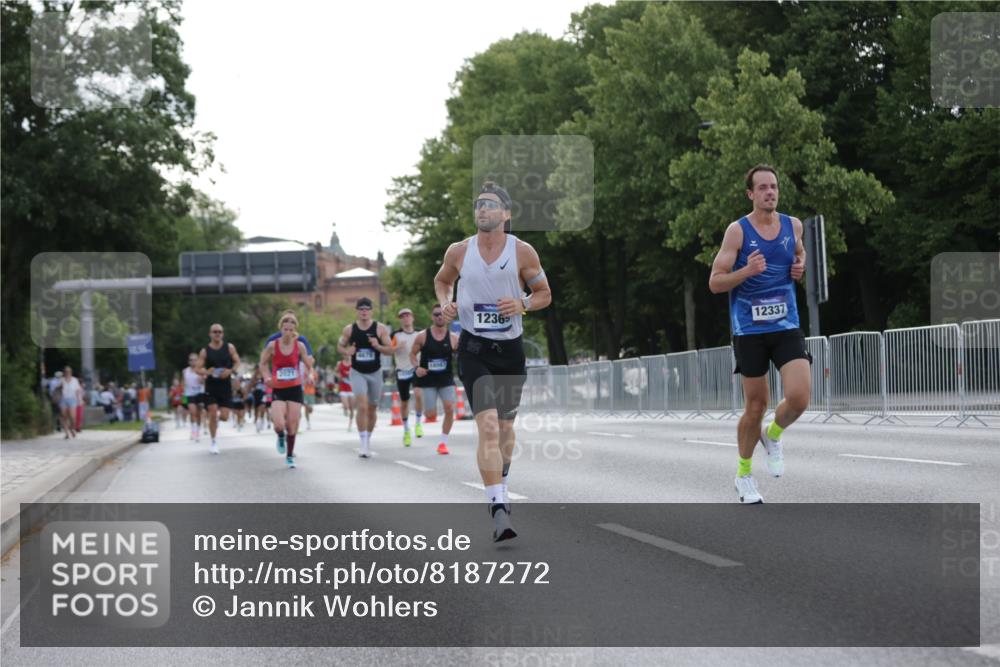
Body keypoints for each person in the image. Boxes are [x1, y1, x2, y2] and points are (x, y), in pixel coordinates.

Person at [435, 181, 552, 542]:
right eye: (478, 205)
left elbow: (544, 294)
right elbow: (442, 281)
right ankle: (498, 506)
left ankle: (501, 481)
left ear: (506, 214)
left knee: (504, 428)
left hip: (510, 350)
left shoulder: (523, 252)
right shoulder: (459, 251)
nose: (482, 210)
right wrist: (446, 302)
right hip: (474, 349)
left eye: (489, 205)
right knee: (486, 427)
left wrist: (523, 304)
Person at [709, 164, 811, 505]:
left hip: (786, 325)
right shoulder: (737, 232)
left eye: (774, 187)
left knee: (799, 397)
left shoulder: (792, 225)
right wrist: (746, 271)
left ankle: (774, 434)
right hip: (749, 329)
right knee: (756, 406)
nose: (770, 192)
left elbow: (798, 254)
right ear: (750, 194)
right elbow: (715, 282)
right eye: (763, 188)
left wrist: (801, 266)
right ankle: (744, 474)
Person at [337, 297, 392, 458]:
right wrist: (347, 352)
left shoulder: (380, 329)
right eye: (361, 309)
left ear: (371, 311)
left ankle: (368, 439)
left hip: (375, 372)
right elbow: (339, 345)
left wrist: (378, 346)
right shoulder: (349, 329)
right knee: (361, 406)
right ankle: (362, 443)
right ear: (357, 311)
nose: (364, 311)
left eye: (367, 309)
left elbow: (390, 349)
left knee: (372, 407)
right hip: (357, 372)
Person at [260, 311, 313, 468]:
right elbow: (262, 363)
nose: (288, 332)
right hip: (278, 388)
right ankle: (280, 436)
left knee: (292, 424)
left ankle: (290, 456)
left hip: (295, 388)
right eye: (285, 329)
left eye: (291, 329)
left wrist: (310, 374)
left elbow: (309, 364)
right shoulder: (272, 345)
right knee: (278, 425)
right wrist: (267, 378)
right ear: (281, 329)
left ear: (294, 330)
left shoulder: (300, 346)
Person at [410, 305, 460, 455]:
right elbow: (412, 355)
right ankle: (421, 418)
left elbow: (462, 356)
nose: (439, 317)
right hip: (428, 380)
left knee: (450, 408)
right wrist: (416, 367)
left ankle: (443, 443)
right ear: (432, 317)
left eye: (442, 314)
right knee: (430, 414)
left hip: (446, 379)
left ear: (446, 317)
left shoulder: (453, 338)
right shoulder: (422, 336)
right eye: (436, 314)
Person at [197, 323, 241, 454]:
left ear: (223, 334)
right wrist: (207, 371)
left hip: (225, 386)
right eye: (215, 332)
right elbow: (198, 369)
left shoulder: (229, 347)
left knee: (224, 417)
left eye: (220, 332)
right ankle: (214, 442)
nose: (217, 334)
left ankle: (215, 421)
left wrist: (230, 370)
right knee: (212, 411)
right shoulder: (205, 351)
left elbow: (237, 362)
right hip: (211, 386)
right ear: (210, 334)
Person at [391, 307, 422, 446]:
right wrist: (396, 347)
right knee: (404, 401)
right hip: (402, 371)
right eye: (403, 316)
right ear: (400, 320)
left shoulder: (420, 333)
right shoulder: (395, 335)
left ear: (412, 318)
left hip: (415, 368)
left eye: (408, 315)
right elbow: (387, 350)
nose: (406, 318)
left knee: (418, 393)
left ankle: (418, 423)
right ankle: (406, 430)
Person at [182, 353, 205, 441]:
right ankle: (193, 430)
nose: (193, 362)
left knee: (198, 414)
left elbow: (204, 382)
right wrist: (183, 398)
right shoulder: (185, 371)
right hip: (189, 394)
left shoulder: (201, 370)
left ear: (198, 360)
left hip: (199, 393)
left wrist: (202, 379)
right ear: (189, 362)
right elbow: (183, 384)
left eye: (195, 360)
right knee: (192, 412)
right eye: (191, 360)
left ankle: (198, 431)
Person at [58, 366, 83, 438]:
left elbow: (78, 390)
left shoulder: (74, 380)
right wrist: (59, 386)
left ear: (71, 372)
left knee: (72, 417)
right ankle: (66, 433)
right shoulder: (62, 380)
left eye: (68, 371)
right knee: (64, 416)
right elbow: (57, 389)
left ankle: (71, 428)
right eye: (66, 371)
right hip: (63, 399)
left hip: (72, 399)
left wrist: (79, 400)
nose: (67, 373)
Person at [337, 355, 355, 430]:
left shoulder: (354, 363)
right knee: (346, 406)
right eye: (345, 354)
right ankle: (345, 408)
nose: (347, 355)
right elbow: (337, 373)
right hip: (343, 387)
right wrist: (339, 377)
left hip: (352, 388)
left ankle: (350, 424)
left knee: (352, 408)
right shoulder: (339, 363)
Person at [301, 362, 316, 430]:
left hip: (311, 393)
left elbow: (315, 382)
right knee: (306, 408)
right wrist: (306, 379)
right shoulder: (302, 372)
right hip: (305, 392)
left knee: (310, 410)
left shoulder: (313, 372)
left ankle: (308, 422)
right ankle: (308, 423)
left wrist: (312, 380)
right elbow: (302, 382)